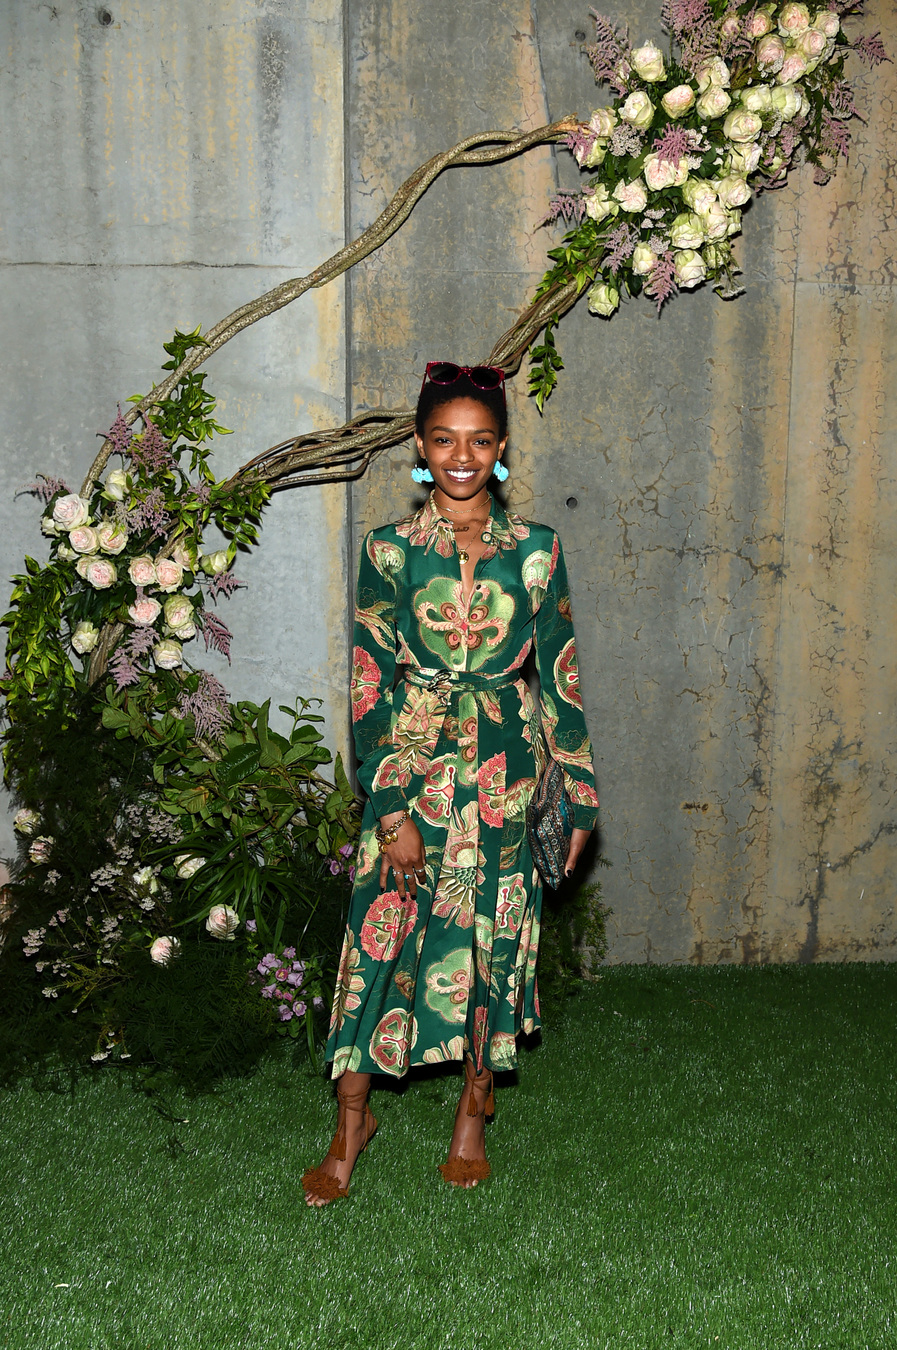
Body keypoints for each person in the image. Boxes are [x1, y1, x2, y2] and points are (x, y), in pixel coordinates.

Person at [302, 361, 599, 1206]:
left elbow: (563, 679)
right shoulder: (387, 552)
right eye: (443, 440)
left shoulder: (539, 552)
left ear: (500, 449)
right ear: (420, 450)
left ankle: (473, 1110)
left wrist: (577, 794)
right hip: (417, 762)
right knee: (378, 937)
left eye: (478, 441)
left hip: (507, 771)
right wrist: (390, 802)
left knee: (489, 941)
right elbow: (367, 685)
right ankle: (349, 1122)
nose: (460, 457)